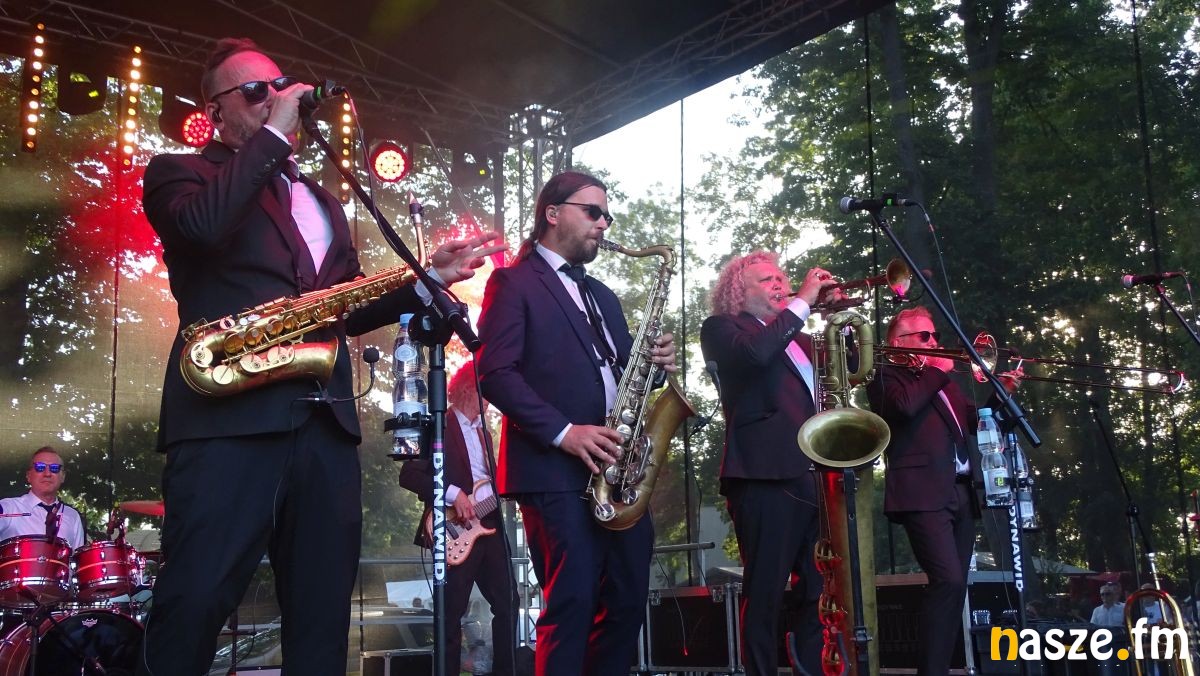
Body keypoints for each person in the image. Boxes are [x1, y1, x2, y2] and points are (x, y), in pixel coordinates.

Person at [138, 37, 504, 675]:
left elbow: (347, 305)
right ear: (215, 109)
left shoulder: (323, 200)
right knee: (194, 600)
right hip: (228, 422)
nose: (276, 98)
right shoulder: (181, 172)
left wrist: (425, 279)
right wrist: (271, 137)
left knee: (321, 617)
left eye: (280, 86)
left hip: (323, 424)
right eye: (257, 91)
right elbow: (201, 228)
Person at [477, 170, 676, 676]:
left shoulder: (603, 295)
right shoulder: (512, 282)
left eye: (607, 216)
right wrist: (566, 432)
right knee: (572, 604)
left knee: (627, 602)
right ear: (552, 213)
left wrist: (657, 365)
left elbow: (626, 373)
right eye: (593, 212)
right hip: (554, 470)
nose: (604, 223)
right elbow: (495, 374)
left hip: (617, 471)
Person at [699, 251, 839, 676]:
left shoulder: (799, 339)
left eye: (782, 278)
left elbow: (847, 370)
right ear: (739, 291)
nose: (781, 284)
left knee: (818, 591)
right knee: (765, 591)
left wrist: (838, 321)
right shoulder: (723, 328)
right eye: (767, 280)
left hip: (813, 473)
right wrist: (803, 303)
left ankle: (812, 669)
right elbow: (755, 355)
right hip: (763, 475)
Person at [865, 305, 1021, 676]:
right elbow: (903, 409)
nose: (935, 342)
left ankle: (937, 668)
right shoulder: (884, 375)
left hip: (961, 492)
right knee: (947, 580)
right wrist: (936, 369)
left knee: (955, 586)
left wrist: (1002, 394)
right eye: (925, 336)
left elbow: (974, 422)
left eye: (934, 335)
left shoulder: (942, 382)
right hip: (921, 493)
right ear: (898, 342)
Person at [397, 361, 517, 676]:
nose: (489, 402)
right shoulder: (437, 424)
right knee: (450, 614)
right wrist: (454, 494)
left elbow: (489, 484)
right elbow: (408, 475)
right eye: (484, 394)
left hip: (489, 526)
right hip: (455, 530)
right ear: (467, 389)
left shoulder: (484, 433)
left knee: (509, 603)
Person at [0, 446, 85, 549]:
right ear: (28, 475)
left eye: (54, 468)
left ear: (63, 476)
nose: (47, 474)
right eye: (40, 467)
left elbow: (77, 557)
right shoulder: (8, 507)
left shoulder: (73, 516)